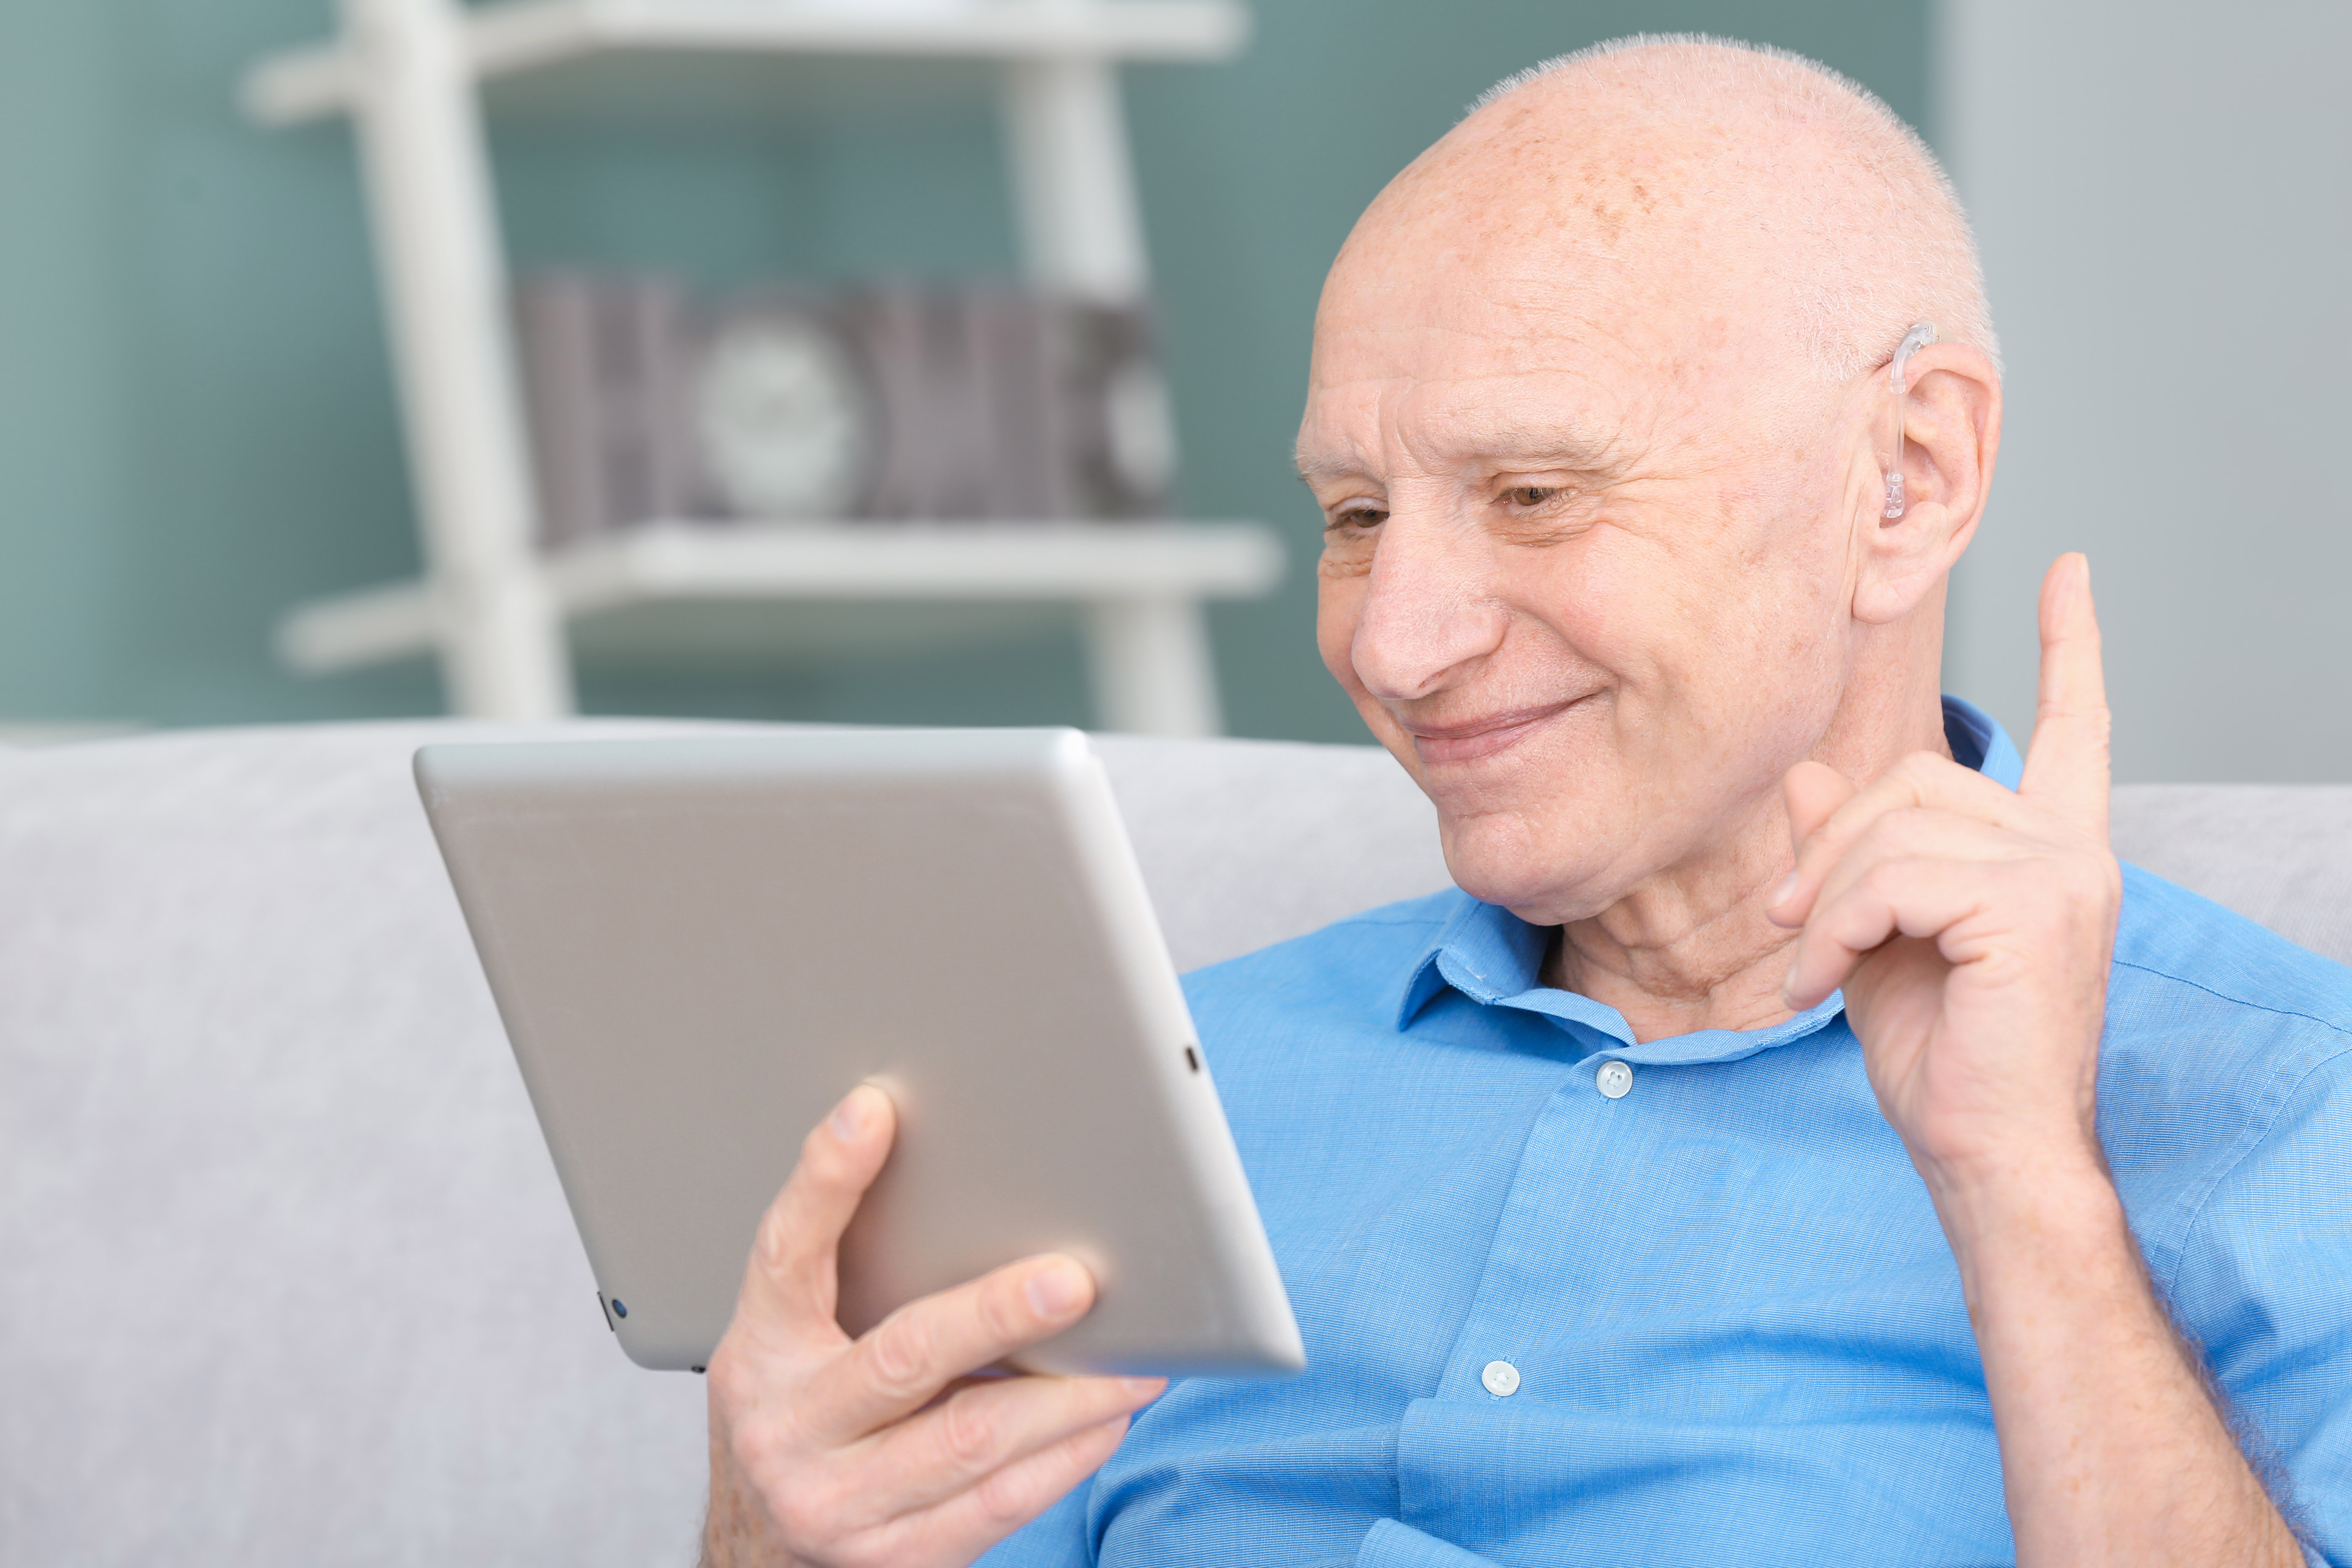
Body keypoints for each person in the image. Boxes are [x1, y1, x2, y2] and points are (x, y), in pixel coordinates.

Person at [699, 36, 2350, 1568]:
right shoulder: (1156, 1083)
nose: (1398, 644)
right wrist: (770, 1527)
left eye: (1535, 493)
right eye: (1354, 514)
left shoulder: (2275, 1110)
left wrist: (2026, 1192)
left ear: (1906, 474)